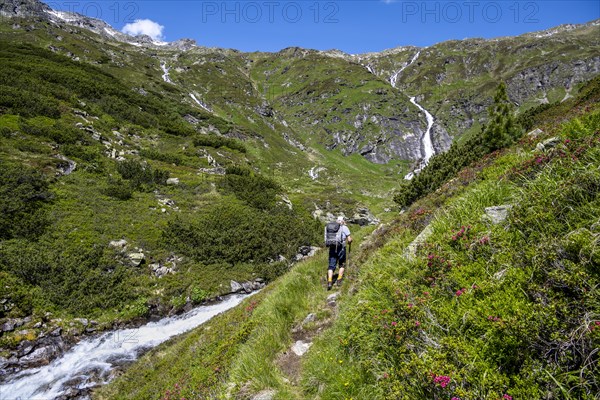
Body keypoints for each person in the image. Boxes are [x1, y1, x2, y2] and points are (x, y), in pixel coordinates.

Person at [325, 216, 352, 290]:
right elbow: (349, 239)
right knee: (342, 264)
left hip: (332, 248)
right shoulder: (344, 228)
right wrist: (349, 241)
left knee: (331, 266)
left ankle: (330, 281)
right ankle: (339, 280)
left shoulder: (331, 228)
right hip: (341, 248)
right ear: (343, 221)